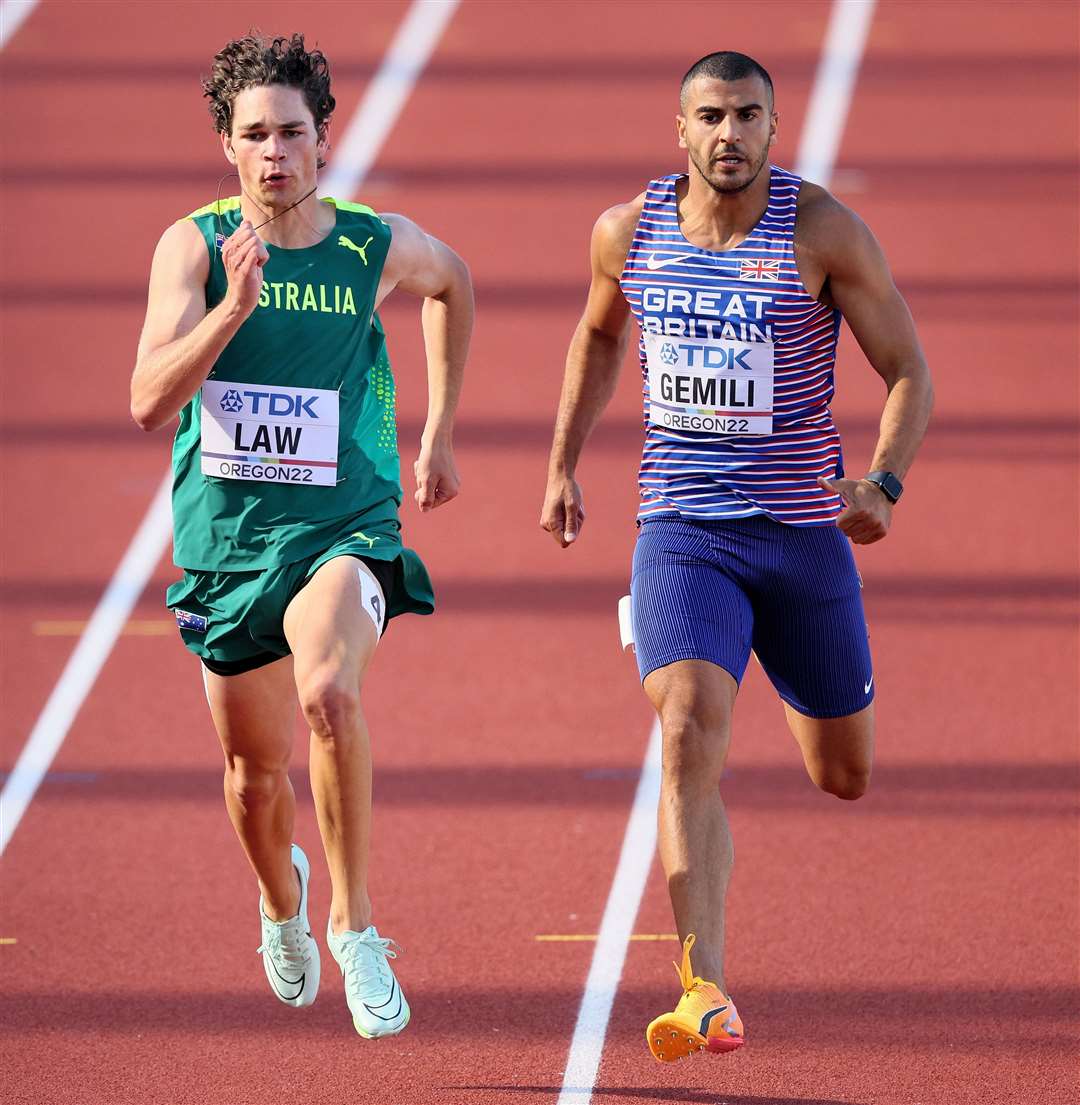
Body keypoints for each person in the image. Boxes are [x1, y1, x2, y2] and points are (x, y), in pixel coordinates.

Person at [541, 50, 932, 1062]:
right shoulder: (629, 233)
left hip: (803, 540)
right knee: (684, 724)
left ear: (771, 126)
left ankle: (792, 704)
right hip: (681, 530)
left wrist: (881, 483)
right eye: (709, 116)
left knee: (843, 773)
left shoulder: (822, 231)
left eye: (747, 116)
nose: (728, 134)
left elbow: (908, 371)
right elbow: (595, 337)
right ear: (680, 129)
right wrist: (563, 464)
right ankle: (703, 980)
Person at [130, 33, 472, 1039]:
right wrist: (232, 307)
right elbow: (150, 399)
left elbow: (451, 282)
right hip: (227, 547)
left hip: (343, 529)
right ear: (229, 150)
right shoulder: (193, 247)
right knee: (251, 778)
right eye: (254, 136)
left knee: (329, 694)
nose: (275, 151)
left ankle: (354, 925)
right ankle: (282, 899)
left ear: (324, 140)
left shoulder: (369, 244)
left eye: (291, 132)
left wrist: (441, 430)